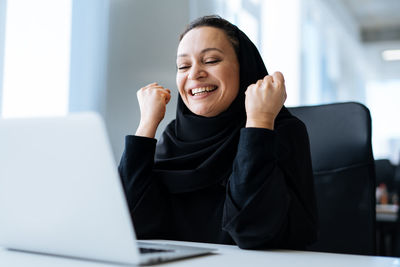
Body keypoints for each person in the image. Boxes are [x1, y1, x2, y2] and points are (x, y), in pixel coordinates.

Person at [119, 15, 318, 249]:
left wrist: (259, 121)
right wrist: (146, 125)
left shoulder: (279, 129)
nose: (194, 74)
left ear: (244, 69)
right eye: (183, 66)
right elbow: (129, 224)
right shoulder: (174, 138)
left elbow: (254, 231)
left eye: (211, 60)